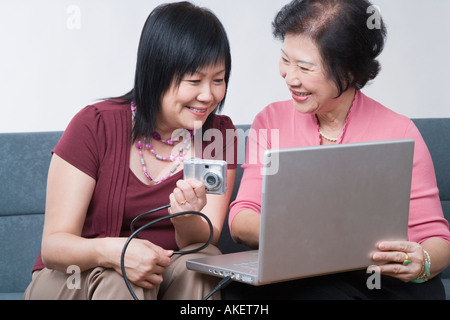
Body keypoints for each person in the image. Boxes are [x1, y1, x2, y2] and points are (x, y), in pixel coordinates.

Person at [227, 0, 450, 299]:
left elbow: (439, 240)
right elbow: (241, 220)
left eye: (305, 67)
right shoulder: (270, 121)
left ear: (348, 71)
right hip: (299, 277)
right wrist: (312, 235)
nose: (290, 77)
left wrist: (421, 263)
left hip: (379, 281)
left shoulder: (400, 132)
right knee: (238, 294)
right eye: (285, 59)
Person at [24, 1, 236, 300]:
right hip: (74, 277)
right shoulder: (94, 124)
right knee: (124, 280)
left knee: (201, 263)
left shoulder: (218, 134)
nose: (208, 95)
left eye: (218, 80)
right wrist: (116, 252)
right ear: (156, 74)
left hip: (162, 274)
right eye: (194, 81)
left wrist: (185, 218)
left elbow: (204, 238)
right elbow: (54, 247)